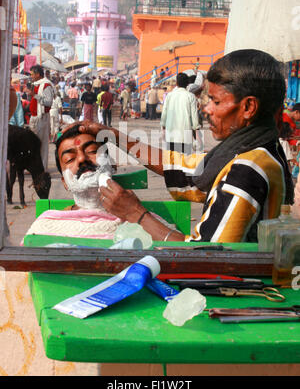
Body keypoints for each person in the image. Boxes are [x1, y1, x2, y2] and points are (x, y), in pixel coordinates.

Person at [77, 49, 294, 244]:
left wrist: (136, 214)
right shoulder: (259, 150)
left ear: (248, 107)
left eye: (216, 102)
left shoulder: (248, 168)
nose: (207, 109)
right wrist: (115, 136)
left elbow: (207, 256)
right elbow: (182, 166)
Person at [24, 123, 120, 242]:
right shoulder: (45, 227)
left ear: (113, 165)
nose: (81, 159)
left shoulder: (138, 218)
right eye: (69, 159)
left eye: (92, 151)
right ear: (65, 183)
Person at [161, 72, 201, 153]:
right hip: (185, 135)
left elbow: (164, 114)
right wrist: (197, 134)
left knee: (172, 160)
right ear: (187, 84)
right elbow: (194, 118)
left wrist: (163, 129)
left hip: (171, 133)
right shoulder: (191, 96)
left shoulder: (169, 96)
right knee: (184, 161)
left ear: (177, 83)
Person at [28, 64, 54, 170]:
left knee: (42, 144)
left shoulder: (46, 85)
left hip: (42, 118)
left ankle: (42, 168)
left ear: (38, 74)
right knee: (33, 143)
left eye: (32, 74)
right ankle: (34, 166)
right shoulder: (36, 85)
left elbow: (48, 102)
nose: (31, 76)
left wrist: (35, 95)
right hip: (34, 117)